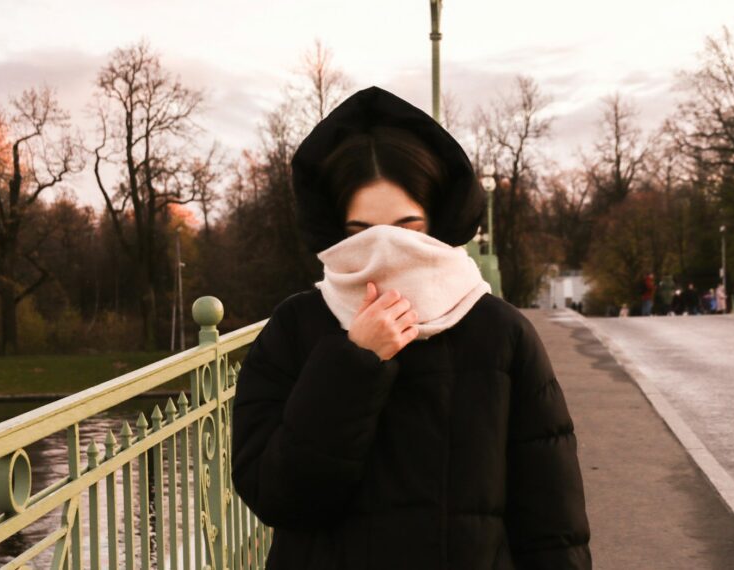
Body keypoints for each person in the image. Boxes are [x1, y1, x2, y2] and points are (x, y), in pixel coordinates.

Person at [230, 86, 592, 569]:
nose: (385, 251)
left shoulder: (499, 332)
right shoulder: (296, 328)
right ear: (337, 232)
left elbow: (551, 524)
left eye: (406, 229)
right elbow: (277, 496)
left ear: (438, 223)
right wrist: (352, 365)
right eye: (361, 234)